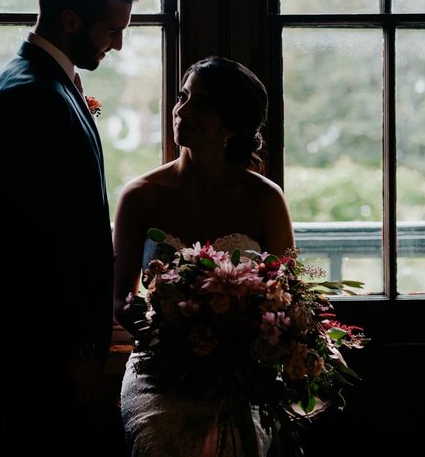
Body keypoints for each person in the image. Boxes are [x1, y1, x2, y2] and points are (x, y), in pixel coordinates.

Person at [0, 0, 140, 454]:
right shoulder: (32, 96)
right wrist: (81, 352)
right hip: (39, 346)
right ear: (69, 20)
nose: (119, 45)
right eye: (111, 31)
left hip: (43, 341)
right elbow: (42, 243)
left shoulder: (43, 82)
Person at [112, 55, 296, 456]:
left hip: (240, 375)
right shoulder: (140, 197)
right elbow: (120, 301)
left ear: (233, 123)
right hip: (159, 373)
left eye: (203, 104)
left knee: (236, 441)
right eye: (182, 97)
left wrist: (235, 335)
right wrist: (169, 327)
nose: (183, 111)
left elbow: (289, 295)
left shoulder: (264, 199)